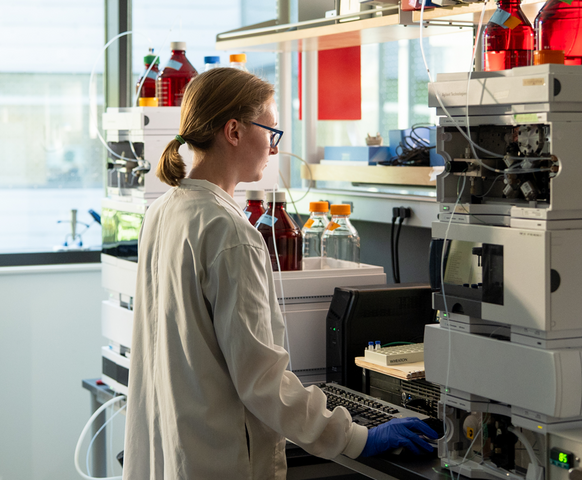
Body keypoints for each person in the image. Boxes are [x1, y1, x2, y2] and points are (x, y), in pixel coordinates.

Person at [123, 67, 437, 479]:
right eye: (270, 129)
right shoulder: (229, 233)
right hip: (221, 460)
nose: (273, 146)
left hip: (176, 450)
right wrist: (355, 438)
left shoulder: (165, 210)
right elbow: (263, 382)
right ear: (233, 131)